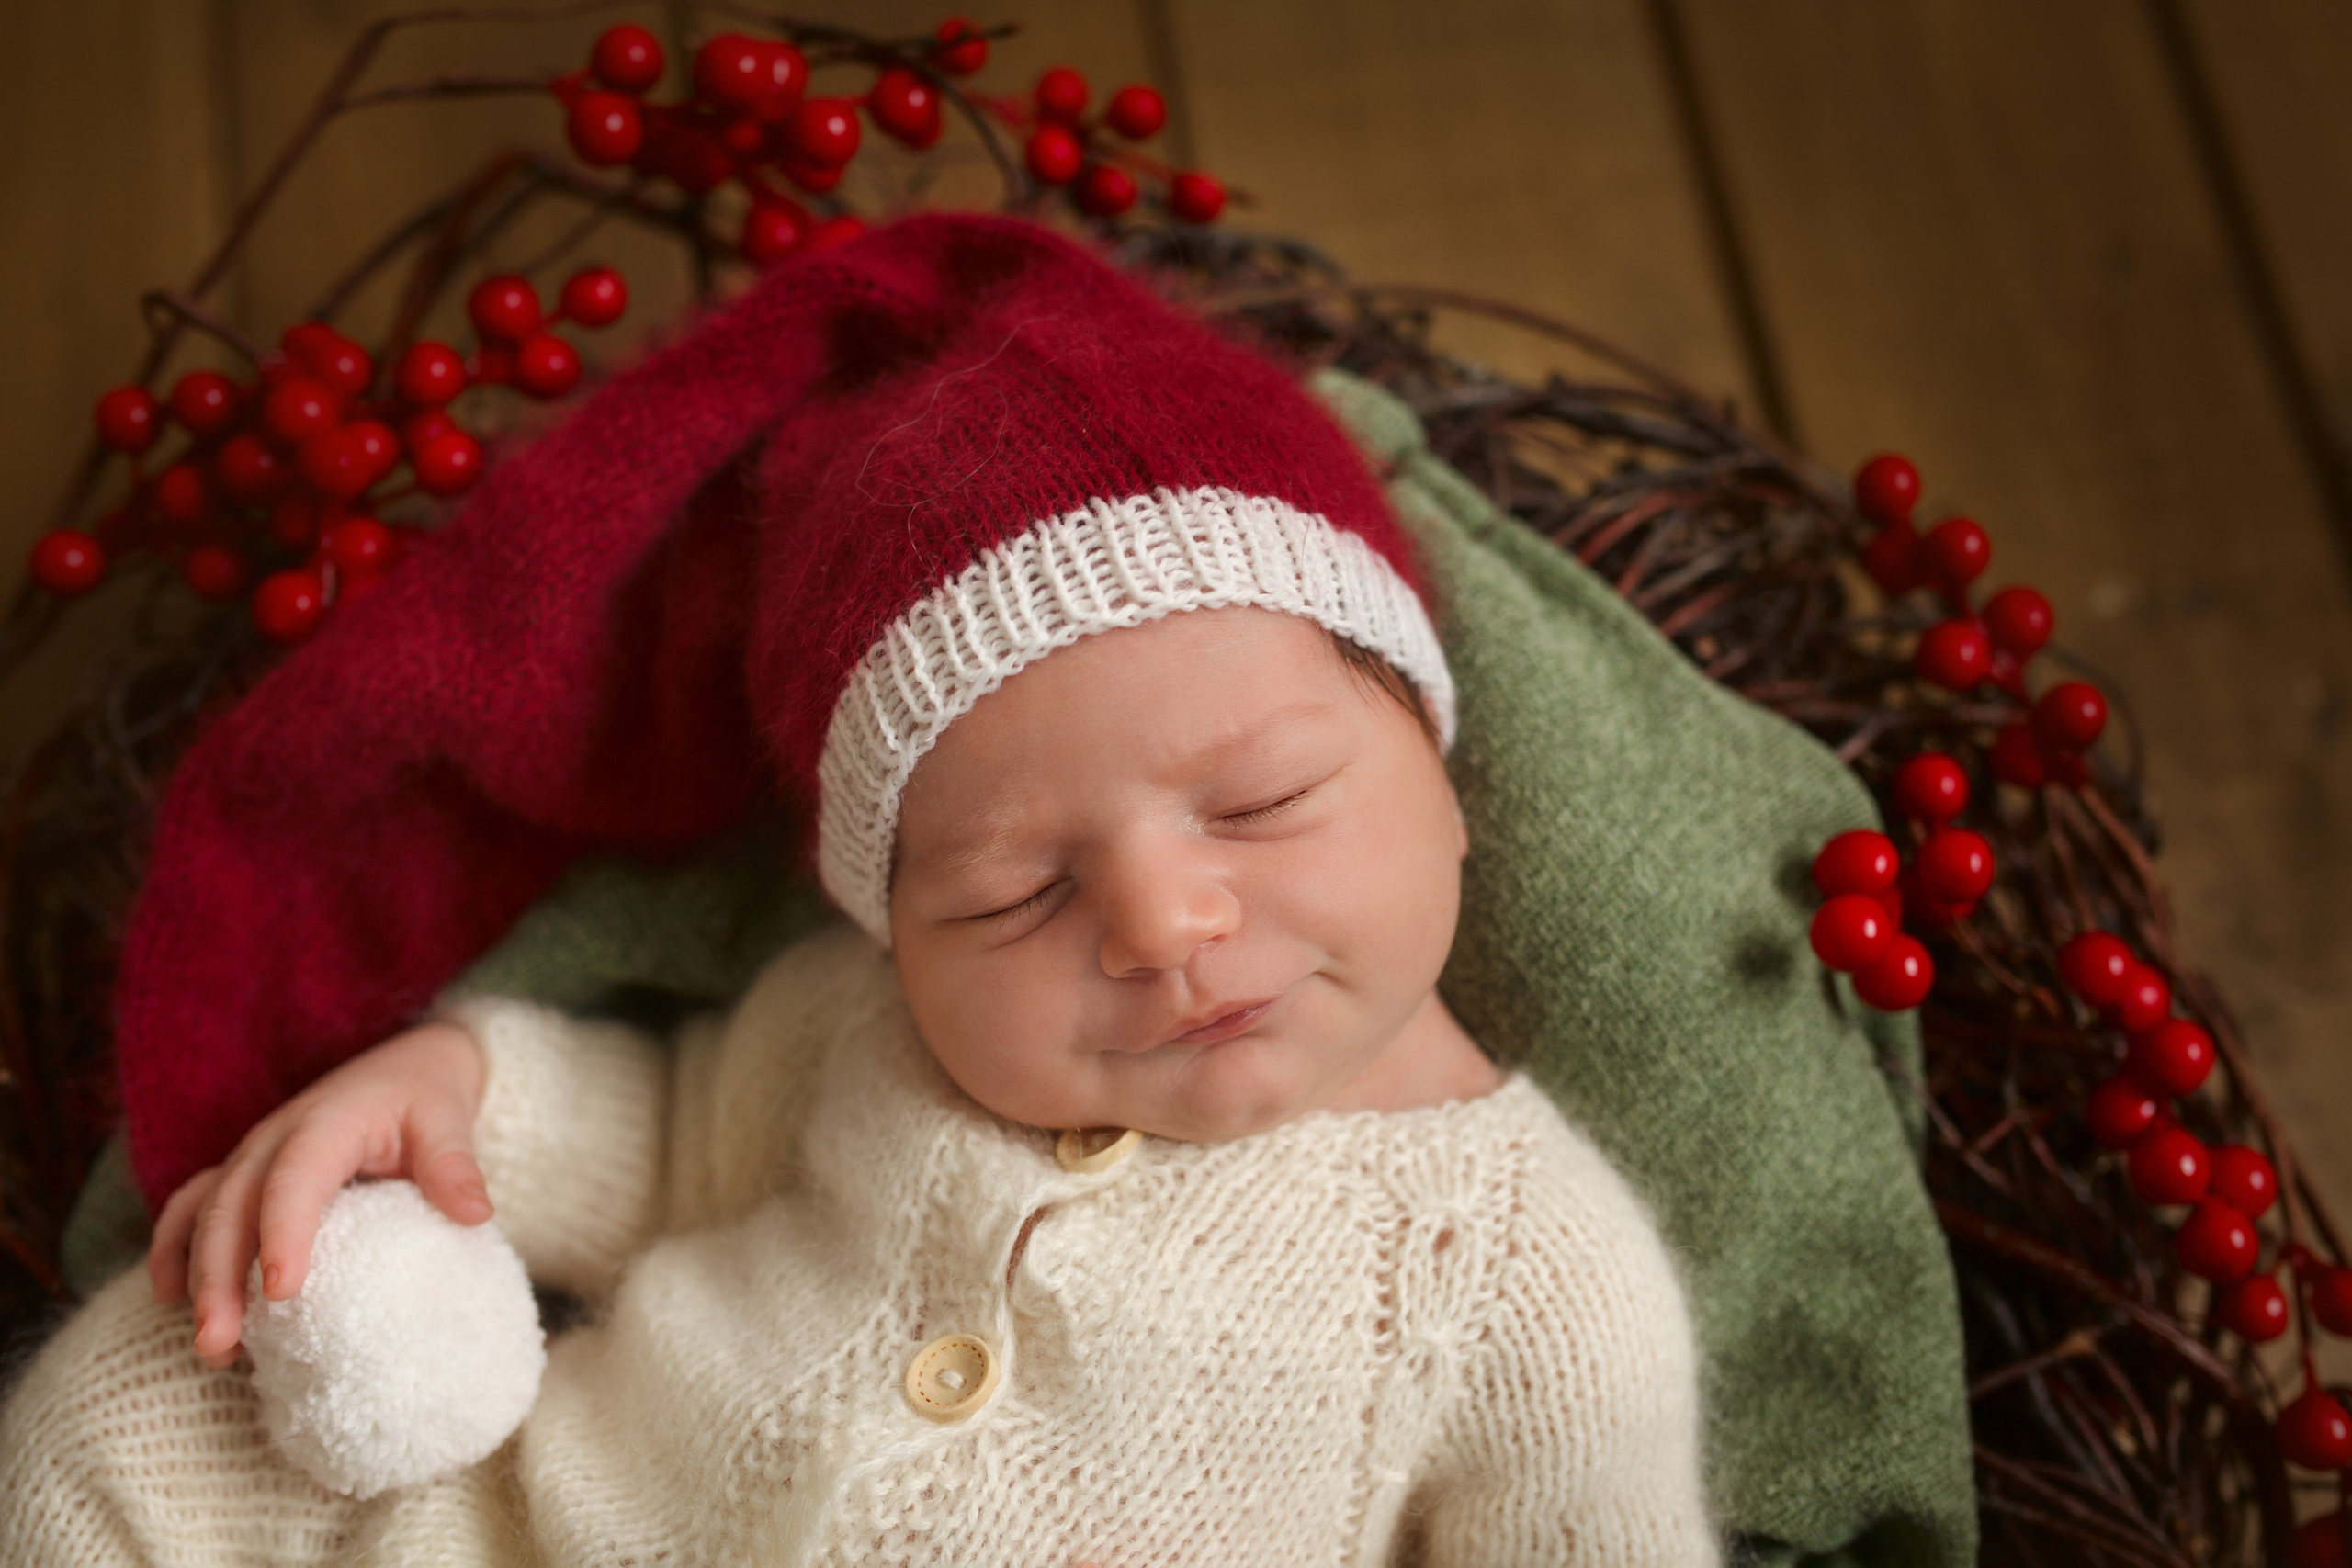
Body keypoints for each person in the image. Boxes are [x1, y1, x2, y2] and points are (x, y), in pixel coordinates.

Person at [0, 215, 1716, 1565]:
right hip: (516, 1531)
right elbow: (667, 1137)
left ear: (1440, 769)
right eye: (1010, 897)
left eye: (1263, 803)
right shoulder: (871, 1032)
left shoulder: (1533, 1277)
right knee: (130, 1401)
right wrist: (449, 1090)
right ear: (892, 926)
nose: (1158, 925)